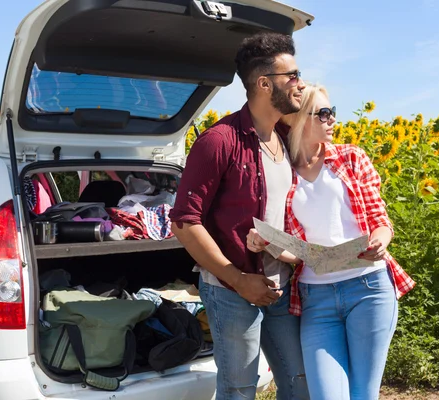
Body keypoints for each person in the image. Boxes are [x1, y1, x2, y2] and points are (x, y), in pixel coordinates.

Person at [247, 84, 416, 400]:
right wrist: (265, 243)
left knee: (363, 393)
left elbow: (380, 219)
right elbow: (294, 252)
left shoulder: (352, 157)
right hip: (317, 297)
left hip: (369, 288)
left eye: (332, 111)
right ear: (297, 120)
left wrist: (380, 240)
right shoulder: (285, 174)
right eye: (322, 113)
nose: (332, 119)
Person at [169, 32, 309, 400]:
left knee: (300, 384)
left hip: (281, 286)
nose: (300, 83)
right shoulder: (219, 141)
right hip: (232, 290)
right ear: (264, 84)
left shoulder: (285, 137)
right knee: (239, 390)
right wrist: (237, 279)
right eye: (292, 76)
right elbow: (185, 222)